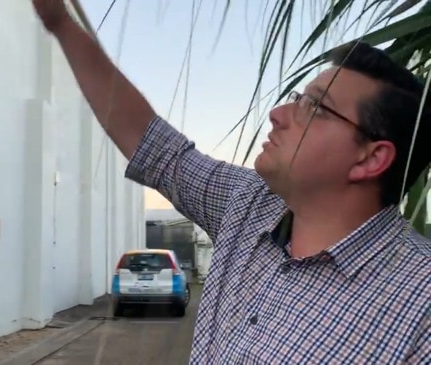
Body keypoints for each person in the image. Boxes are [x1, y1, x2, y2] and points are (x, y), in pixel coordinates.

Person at [31, 0, 431, 363]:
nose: (278, 113)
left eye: (316, 108)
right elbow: (156, 148)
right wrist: (61, 24)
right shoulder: (249, 204)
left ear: (371, 158)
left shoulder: (418, 303)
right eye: (297, 97)